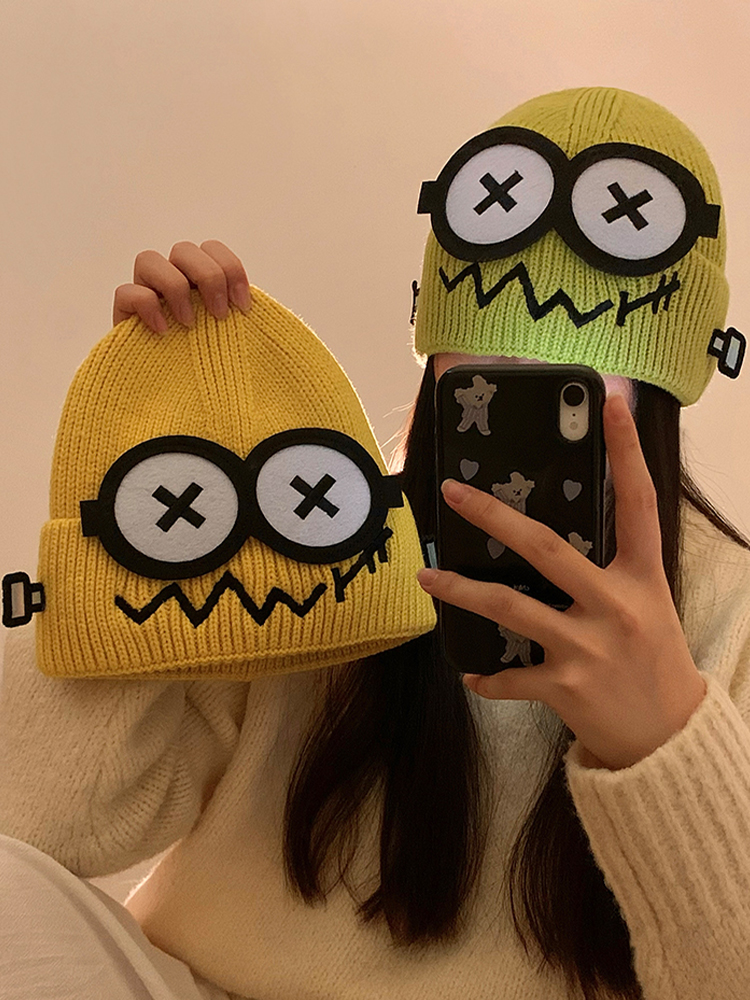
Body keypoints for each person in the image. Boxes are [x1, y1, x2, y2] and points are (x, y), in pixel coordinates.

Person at [2, 86, 750, 1000]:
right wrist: (157, 505)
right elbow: (28, 817)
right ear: (432, 361)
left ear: (658, 397)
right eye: (484, 377)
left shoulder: (736, 614)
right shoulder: (328, 541)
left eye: (572, 387)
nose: (511, 422)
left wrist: (665, 744)